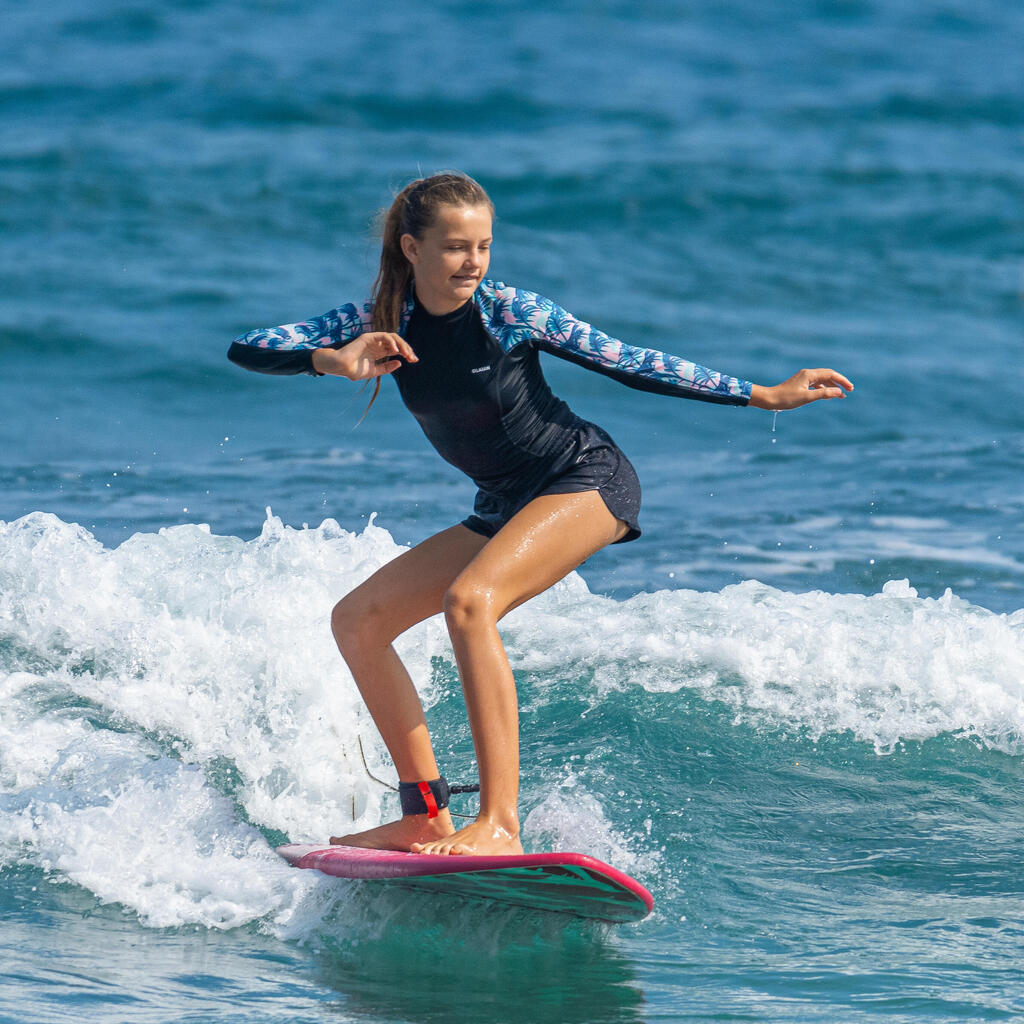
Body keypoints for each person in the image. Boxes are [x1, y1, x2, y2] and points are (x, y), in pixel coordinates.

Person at [228, 171, 852, 857]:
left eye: (485, 246)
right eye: (456, 247)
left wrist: (761, 394)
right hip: (503, 504)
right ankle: (425, 816)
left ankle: (499, 821)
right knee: (359, 619)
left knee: (470, 602)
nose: (474, 262)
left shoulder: (509, 312)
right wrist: (332, 361)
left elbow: (630, 362)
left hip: (584, 479)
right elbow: (249, 346)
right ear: (412, 247)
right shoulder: (380, 320)